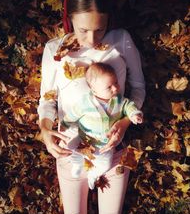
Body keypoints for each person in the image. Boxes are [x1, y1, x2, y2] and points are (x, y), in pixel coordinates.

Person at [38, 0, 145, 214]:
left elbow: (138, 87)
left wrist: (124, 122)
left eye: (100, 29)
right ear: (70, 18)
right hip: (72, 153)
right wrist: (45, 131)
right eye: (83, 29)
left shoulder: (120, 41)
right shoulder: (55, 50)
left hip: (113, 152)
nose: (91, 39)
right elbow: (47, 99)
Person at [61, 62, 143, 190]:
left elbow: (129, 106)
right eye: (109, 87)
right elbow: (73, 113)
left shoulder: (119, 100)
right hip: (85, 139)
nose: (115, 88)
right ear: (94, 90)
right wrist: (65, 123)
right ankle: (77, 163)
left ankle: (93, 174)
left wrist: (134, 114)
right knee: (71, 147)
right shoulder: (85, 103)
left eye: (116, 82)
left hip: (105, 144)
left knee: (105, 165)